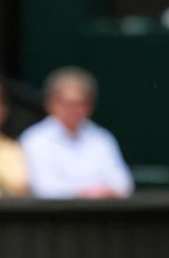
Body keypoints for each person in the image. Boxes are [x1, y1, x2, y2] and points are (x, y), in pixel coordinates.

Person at [19, 68, 133, 199]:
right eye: (68, 104)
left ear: (90, 106)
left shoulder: (101, 138)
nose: (74, 110)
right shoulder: (34, 139)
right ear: (50, 104)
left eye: (81, 104)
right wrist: (89, 192)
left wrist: (96, 192)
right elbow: (44, 188)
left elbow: (124, 184)